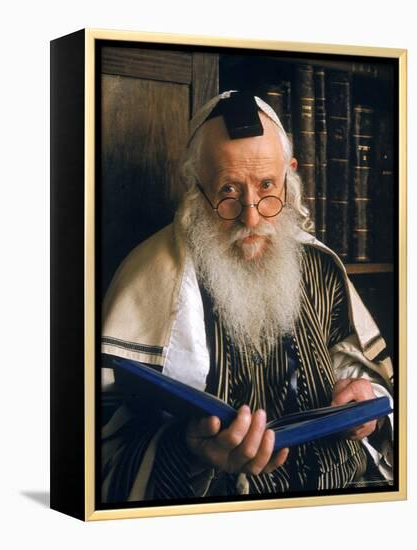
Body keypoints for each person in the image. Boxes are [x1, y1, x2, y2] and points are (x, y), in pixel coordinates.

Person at [101, 91, 393, 503]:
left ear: (290, 176)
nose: (251, 216)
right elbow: (101, 446)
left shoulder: (320, 264)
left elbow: (369, 375)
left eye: (267, 185)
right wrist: (190, 451)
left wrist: (369, 405)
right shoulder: (150, 276)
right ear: (194, 186)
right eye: (228, 191)